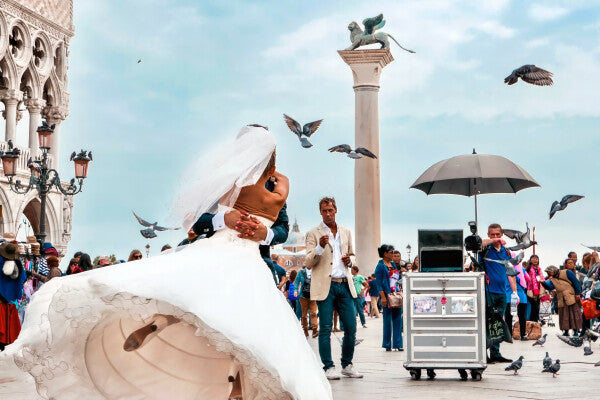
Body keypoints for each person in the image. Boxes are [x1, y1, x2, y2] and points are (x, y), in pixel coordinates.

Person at [2, 125, 332, 399]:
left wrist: (264, 232)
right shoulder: (244, 181)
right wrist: (224, 220)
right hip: (236, 259)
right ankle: (236, 385)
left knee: (208, 308)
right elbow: (200, 219)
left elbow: (282, 228)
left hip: (232, 256)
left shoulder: (251, 182)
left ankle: (164, 325)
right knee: (242, 322)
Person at [191, 172, 290, 285]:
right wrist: (224, 218)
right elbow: (197, 223)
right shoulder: (221, 182)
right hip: (214, 261)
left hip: (257, 266)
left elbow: (283, 229)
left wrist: (266, 234)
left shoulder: (273, 187)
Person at [305, 197, 362, 380]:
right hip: (325, 286)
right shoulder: (313, 234)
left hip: (344, 284)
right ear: (320, 212)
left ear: (336, 210)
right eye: (324, 211)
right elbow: (307, 262)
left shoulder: (345, 232)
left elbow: (353, 256)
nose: (327, 214)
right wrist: (320, 248)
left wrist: (350, 261)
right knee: (326, 328)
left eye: (330, 210)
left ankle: (347, 364)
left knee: (351, 327)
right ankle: (328, 366)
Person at [480, 223, 517, 364]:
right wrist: (493, 241)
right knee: (487, 322)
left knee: (498, 323)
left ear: (502, 234)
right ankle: (484, 353)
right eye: (492, 234)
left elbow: (510, 273)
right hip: (488, 291)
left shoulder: (506, 252)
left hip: (502, 292)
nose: (495, 237)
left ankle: (496, 352)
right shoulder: (485, 248)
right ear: (488, 234)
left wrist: (514, 292)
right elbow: (479, 243)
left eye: (497, 234)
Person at [374, 244, 403, 351]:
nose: (393, 254)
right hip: (387, 295)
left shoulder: (392, 264)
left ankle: (398, 344)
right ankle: (387, 344)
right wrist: (383, 297)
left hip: (396, 294)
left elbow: (396, 277)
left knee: (398, 320)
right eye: (391, 252)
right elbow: (379, 283)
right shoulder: (380, 266)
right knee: (387, 321)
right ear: (385, 254)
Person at [542, 264, 582, 337]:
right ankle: (566, 331)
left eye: (549, 272)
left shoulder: (567, 272)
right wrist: (543, 283)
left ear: (553, 270)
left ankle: (575, 331)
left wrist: (577, 293)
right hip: (561, 298)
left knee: (574, 314)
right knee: (564, 315)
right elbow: (550, 287)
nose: (548, 274)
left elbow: (576, 282)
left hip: (571, 296)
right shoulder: (553, 279)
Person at [505, 259, 528, 340]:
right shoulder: (522, 271)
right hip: (521, 297)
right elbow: (527, 280)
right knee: (522, 317)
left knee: (509, 317)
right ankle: (523, 335)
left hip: (510, 296)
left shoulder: (506, 270)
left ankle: (509, 336)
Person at [294, 266, 318, 338]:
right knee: (304, 315)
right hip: (303, 296)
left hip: (313, 296)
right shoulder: (301, 272)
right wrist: (295, 291)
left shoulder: (315, 271)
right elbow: (296, 282)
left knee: (313, 313)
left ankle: (314, 330)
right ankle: (305, 330)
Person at [525, 255, 544, 323]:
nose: (535, 260)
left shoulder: (539, 269)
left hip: (538, 290)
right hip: (530, 290)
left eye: (536, 259)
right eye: (533, 258)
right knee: (533, 307)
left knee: (537, 308)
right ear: (530, 260)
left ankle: (535, 323)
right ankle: (531, 322)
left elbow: (542, 279)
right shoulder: (528, 269)